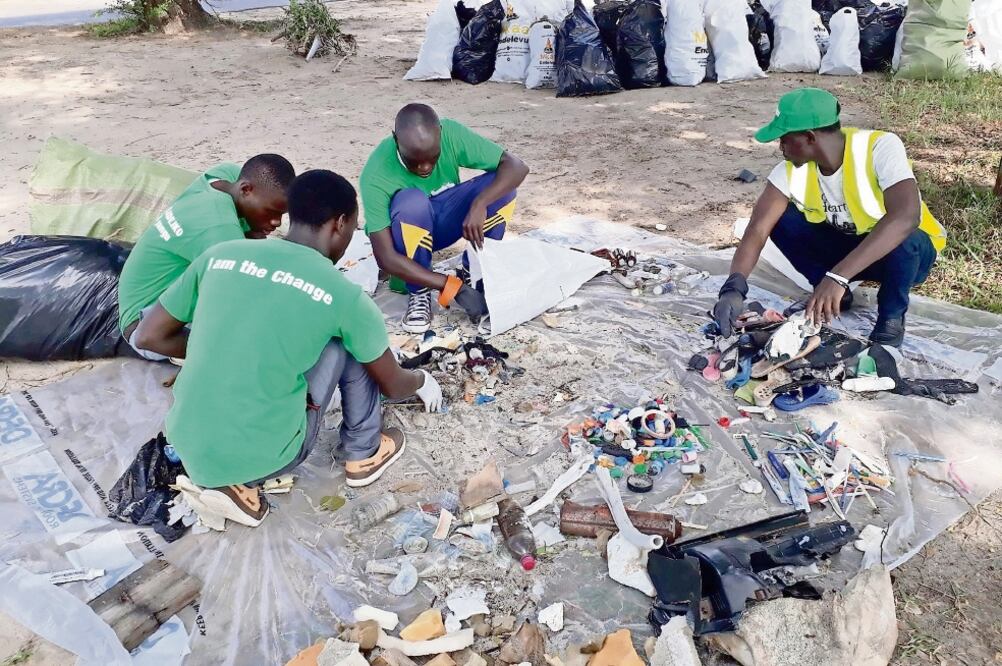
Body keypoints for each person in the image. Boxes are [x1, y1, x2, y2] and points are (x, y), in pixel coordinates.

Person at [134, 170, 445, 527]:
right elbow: (392, 383)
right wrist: (420, 380)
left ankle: (225, 479)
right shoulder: (344, 296)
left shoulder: (220, 256)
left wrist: (224, 345)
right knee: (350, 343)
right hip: (267, 455)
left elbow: (148, 337)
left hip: (185, 439)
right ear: (340, 224)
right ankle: (364, 452)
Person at [713, 88, 946, 347]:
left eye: (785, 139)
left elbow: (906, 217)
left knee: (907, 236)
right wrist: (734, 287)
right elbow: (757, 230)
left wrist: (836, 276)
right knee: (779, 219)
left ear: (810, 137)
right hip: (847, 251)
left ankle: (891, 318)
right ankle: (836, 295)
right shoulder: (789, 171)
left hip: (903, 258)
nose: (780, 147)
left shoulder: (879, 147)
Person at [360, 103, 530, 333]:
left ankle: (477, 275)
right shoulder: (376, 172)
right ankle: (418, 292)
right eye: (414, 161)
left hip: (443, 222)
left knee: (501, 189)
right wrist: (451, 287)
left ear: (440, 132)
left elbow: (517, 167)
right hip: (406, 243)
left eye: (433, 157)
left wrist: (480, 204)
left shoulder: (450, 133)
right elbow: (386, 258)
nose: (425, 168)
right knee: (411, 203)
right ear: (395, 140)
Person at [118, 154, 296, 360]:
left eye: (283, 214)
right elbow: (245, 304)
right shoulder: (219, 230)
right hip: (147, 328)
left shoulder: (226, 175)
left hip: (150, 301)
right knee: (262, 343)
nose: (277, 222)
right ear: (246, 190)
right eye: (271, 211)